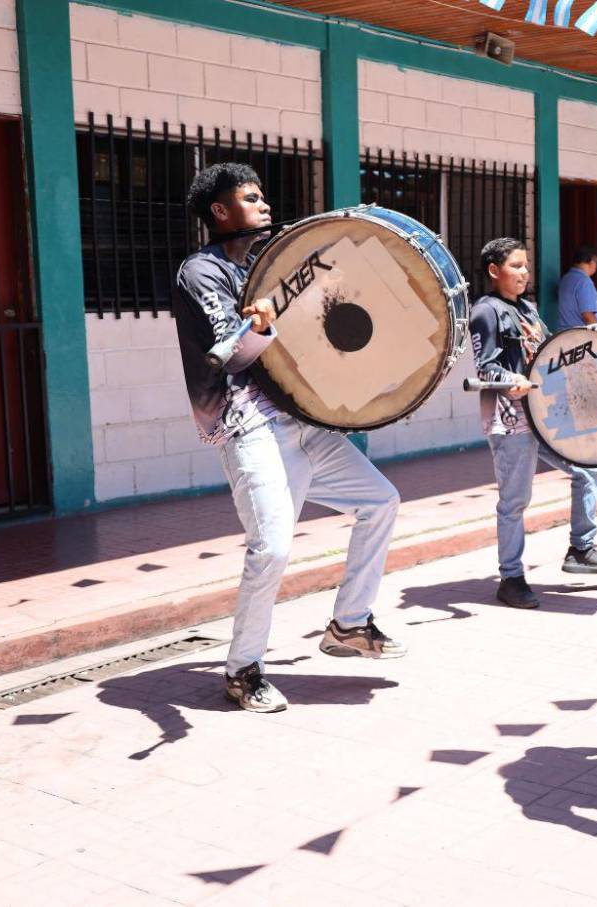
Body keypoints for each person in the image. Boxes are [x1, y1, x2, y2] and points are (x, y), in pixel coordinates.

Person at [172, 163, 405, 714]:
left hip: (300, 419)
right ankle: (242, 670)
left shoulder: (266, 266)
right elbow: (227, 354)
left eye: (263, 196)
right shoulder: (202, 273)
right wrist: (255, 328)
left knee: (381, 501)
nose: (264, 205)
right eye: (250, 199)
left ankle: (349, 624)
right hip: (247, 423)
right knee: (272, 546)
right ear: (220, 212)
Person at [469, 238, 597, 609]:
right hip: (511, 421)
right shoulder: (485, 312)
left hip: (545, 413)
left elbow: (546, 351)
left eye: (526, 266)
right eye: (516, 266)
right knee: (515, 501)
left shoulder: (528, 308)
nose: (525, 272)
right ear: (494, 271)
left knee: (587, 467)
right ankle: (511, 577)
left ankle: (581, 549)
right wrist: (511, 381)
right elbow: (484, 366)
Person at [557, 246, 597, 329]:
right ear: (592, 262)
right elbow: (588, 316)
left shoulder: (566, 278)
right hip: (581, 337)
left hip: (564, 335)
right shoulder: (584, 282)